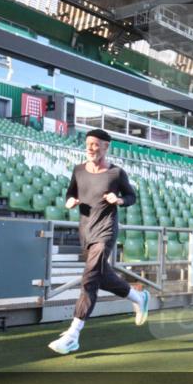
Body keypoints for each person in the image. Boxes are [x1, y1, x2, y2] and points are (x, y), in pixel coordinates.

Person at [48, 129, 150, 355]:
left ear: (106, 147)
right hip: (86, 231)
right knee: (101, 277)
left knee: (89, 279)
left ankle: (73, 334)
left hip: (106, 231)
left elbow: (131, 196)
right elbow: (70, 194)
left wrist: (119, 200)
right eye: (88, 144)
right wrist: (70, 202)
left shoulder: (116, 173)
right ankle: (137, 296)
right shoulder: (78, 171)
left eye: (95, 144)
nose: (91, 148)